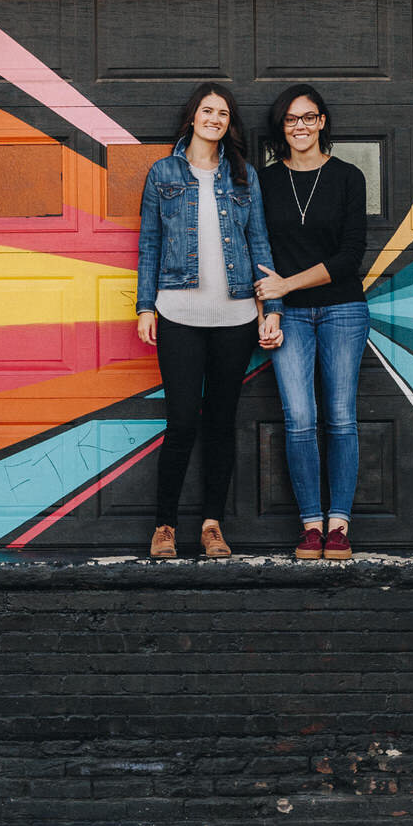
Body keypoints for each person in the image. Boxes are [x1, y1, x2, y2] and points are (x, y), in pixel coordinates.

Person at [135, 82, 282, 559]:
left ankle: (212, 525)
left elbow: (260, 243)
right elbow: (150, 245)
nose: (215, 118)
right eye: (207, 110)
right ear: (192, 116)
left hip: (236, 316)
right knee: (181, 423)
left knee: (220, 423)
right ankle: (164, 526)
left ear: (229, 124)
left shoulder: (244, 178)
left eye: (223, 113)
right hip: (177, 313)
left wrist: (269, 310)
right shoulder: (163, 173)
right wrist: (144, 306)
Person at [254, 85, 369, 561]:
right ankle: (310, 526)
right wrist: (269, 310)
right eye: (290, 120)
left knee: (340, 417)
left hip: (343, 309)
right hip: (289, 318)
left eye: (308, 118)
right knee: (300, 419)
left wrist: (286, 285)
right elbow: (258, 254)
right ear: (281, 128)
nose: (299, 127)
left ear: (322, 122)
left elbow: (349, 256)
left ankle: (338, 525)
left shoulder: (347, 177)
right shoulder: (264, 181)